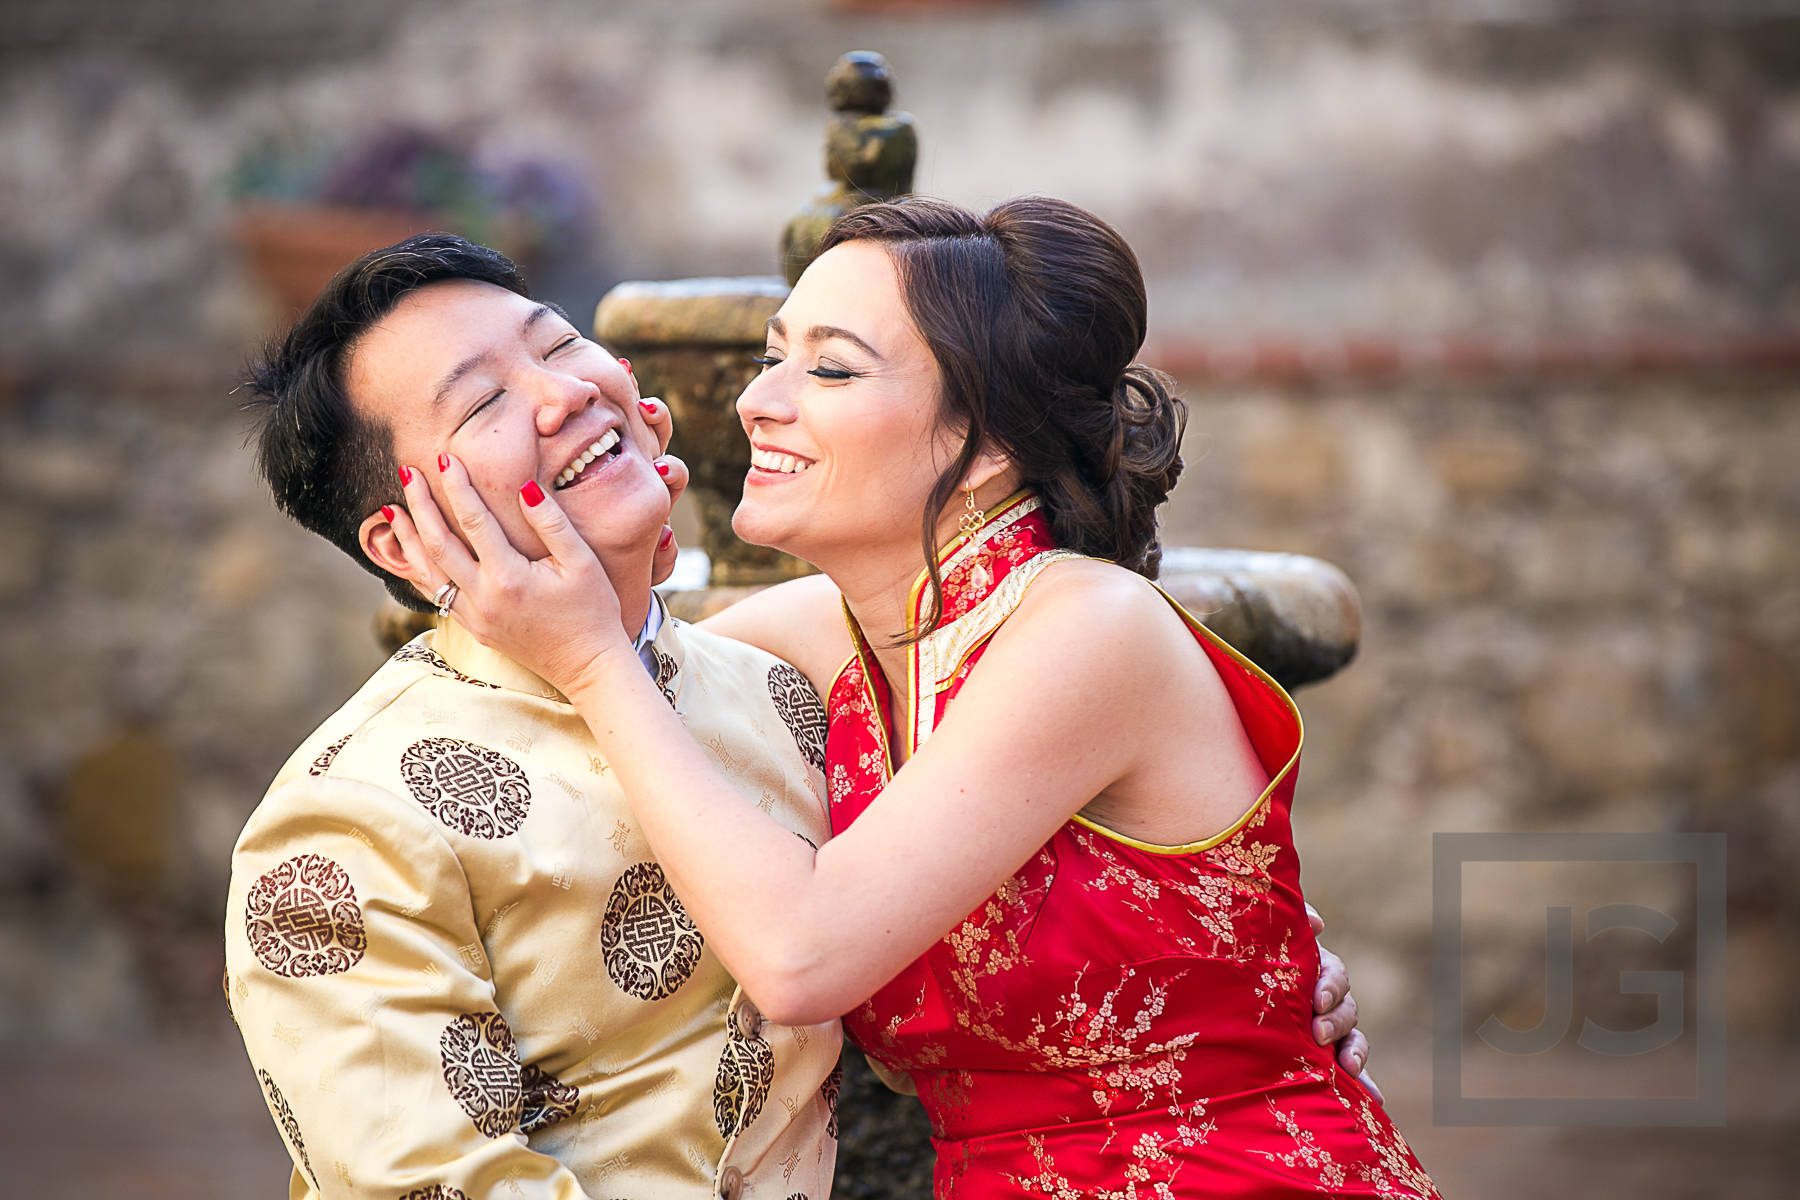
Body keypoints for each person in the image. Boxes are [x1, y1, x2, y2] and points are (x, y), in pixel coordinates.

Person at [402, 197, 1437, 1198]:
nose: (759, 403)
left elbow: (801, 958)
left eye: (832, 370)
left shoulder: (1087, 628)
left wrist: (592, 659)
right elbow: (576, 670)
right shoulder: (823, 633)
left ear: (987, 446)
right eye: (772, 359)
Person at [223, 235, 843, 1200]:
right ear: (403, 538)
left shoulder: (778, 691)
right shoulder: (345, 822)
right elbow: (430, 1184)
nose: (565, 396)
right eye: (482, 403)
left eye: (556, 347)